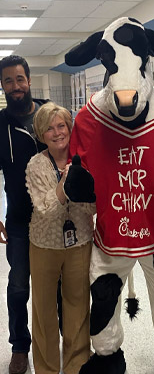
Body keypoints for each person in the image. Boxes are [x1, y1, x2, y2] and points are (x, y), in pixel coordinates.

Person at [25, 102, 96, 373]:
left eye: (61, 126)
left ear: (70, 127)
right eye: (49, 129)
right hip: (43, 244)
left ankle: (77, 365)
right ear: (41, 135)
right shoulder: (36, 165)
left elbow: (93, 206)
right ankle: (46, 368)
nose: (57, 133)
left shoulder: (84, 160)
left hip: (79, 242)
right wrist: (64, 187)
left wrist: (83, 185)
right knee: (43, 311)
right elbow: (43, 209)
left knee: (78, 307)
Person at [0, 55, 49, 374]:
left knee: (58, 287)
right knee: (18, 286)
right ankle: (20, 346)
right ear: (2, 86)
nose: (15, 86)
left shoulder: (51, 115)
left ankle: (61, 343)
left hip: (57, 220)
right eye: (8, 81)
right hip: (19, 221)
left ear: (29, 81)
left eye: (20, 79)